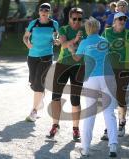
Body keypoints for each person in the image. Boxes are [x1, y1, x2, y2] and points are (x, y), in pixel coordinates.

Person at [70, 17, 118, 158]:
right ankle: (113, 146)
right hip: (107, 77)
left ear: (87, 28)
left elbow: (77, 58)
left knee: (90, 114)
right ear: (98, 27)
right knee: (109, 113)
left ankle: (85, 148)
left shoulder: (84, 42)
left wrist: (73, 49)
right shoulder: (105, 41)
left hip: (91, 79)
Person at [101, 12, 129, 140]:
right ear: (114, 21)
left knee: (120, 98)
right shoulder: (106, 32)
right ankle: (109, 127)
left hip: (123, 70)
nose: (122, 21)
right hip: (109, 69)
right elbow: (100, 45)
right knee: (108, 98)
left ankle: (121, 123)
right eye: (120, 19)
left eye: (124, 20)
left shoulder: (128, 33)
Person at [46, 8, 86, 142]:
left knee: (76, 99)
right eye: (74, 18)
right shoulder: (63, 29)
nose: (76, 21)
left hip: (79, 66)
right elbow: (63, 45)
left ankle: (75, 129)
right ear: (69, 18)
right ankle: (55, 125)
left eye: (79, 19)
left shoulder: (86, 30)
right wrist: (75, 39)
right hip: (62, 65)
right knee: (55, 97)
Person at [23, 3, 59, 122]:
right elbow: (25, 37)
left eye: (47, 10)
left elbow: (56, 37)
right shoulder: (33, 23)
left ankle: (34, 111)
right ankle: (40, 98)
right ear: (39, 12)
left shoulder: (54, 24)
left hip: (47, 56)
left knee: (38, 83)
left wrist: (56, 41)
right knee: (33, 83)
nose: (44, 12)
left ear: (49, 12)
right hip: (32, 56)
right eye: (42, 10)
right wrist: (27, 43)